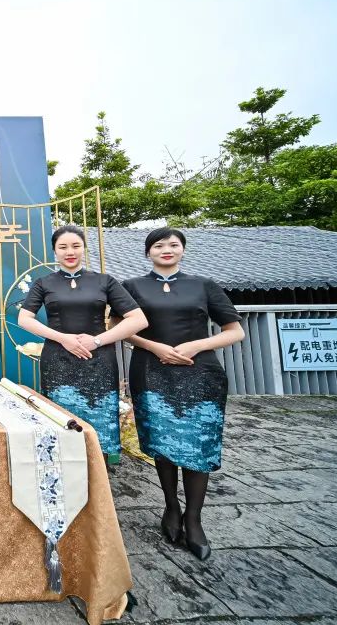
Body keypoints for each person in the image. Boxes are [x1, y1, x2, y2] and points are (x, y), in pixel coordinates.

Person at [118, 227, 245, 561]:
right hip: (151, 369)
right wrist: (155, 346)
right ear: (148, 252)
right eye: (158, 245)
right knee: (163, 442)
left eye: (174, 244)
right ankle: (171, 507)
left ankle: (194, 519)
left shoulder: (203, 285)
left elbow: (235, 331)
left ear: (183, 250)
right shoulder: (132, 286)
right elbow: (118, 328)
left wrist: (195, 345)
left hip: (199, 371)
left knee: (198, 445)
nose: (167, 249)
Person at [16, 224, 148, 456]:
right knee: (62, 425)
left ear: (84, 248)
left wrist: (97, 341)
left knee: (100, 426)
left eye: (76, 246)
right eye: (63, 247)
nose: (70, 252)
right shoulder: (44, 283)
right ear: (54, 251)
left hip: (99, 361)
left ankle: (100, 472)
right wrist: (62, 338)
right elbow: (24, 319)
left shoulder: (105, 281)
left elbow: (138, 320)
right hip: (58, 361)